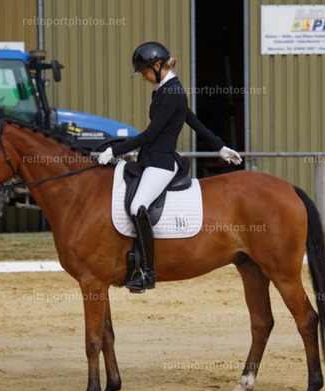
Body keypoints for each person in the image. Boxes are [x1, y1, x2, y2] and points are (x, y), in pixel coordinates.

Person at [98, 41, 241, 293]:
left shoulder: (173, 93)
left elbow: (151, 134)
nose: (143, 78)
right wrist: (219, 145)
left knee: (138, 207)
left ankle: (147, 272)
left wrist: (115, 150)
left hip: (161, 163)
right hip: (150, 160)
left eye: (144, 72)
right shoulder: (165, 90)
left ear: (156, 65)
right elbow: (192, 120)